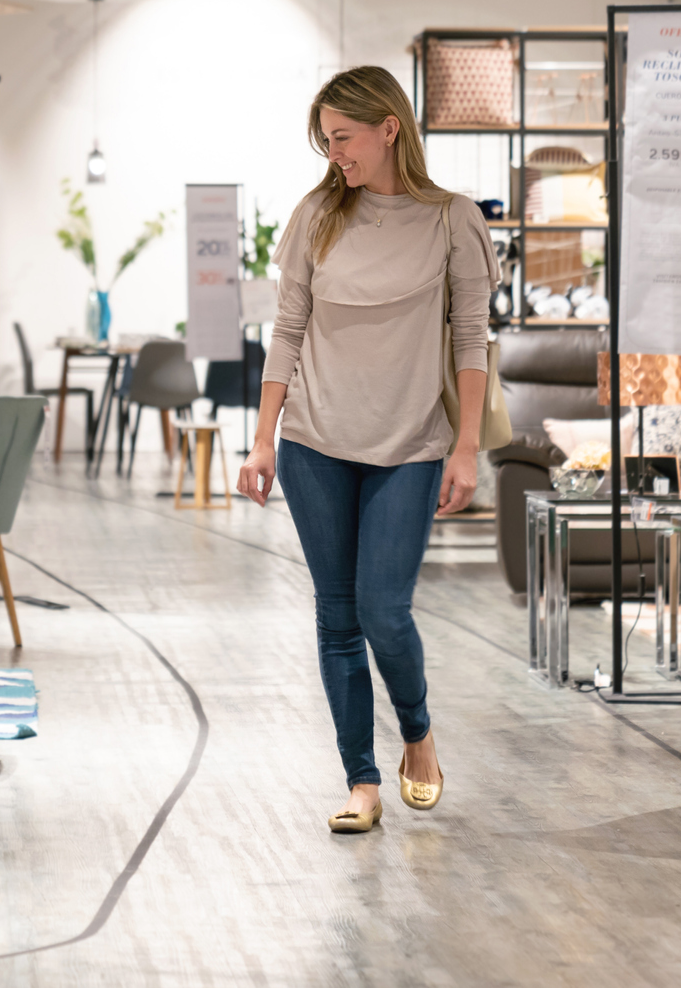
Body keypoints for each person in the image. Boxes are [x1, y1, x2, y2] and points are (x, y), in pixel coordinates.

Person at [236, 65, 497, 835]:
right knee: (338, 617)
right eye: (325, 140)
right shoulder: (317, 214)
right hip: (315, 441)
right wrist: (261, 441)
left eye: (342, 137)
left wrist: (467, 447)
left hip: (411, 443)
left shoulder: (452, 219)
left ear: (390, 126)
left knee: (386, 610)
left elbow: (472, 339)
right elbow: (285, 332)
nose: (333, 152)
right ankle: (361, 779)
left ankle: (417, 731)